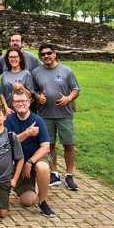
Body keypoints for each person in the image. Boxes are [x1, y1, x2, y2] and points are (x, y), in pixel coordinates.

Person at [32, 44, 81, 191]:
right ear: (40, 56)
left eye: (49, 53)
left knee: (69, 144)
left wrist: (68, 98)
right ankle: (54, 173)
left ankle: (69, 175)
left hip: (64, 114)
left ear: (54, 54)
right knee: (49, 144)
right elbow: (33, 91)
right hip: (45, 115)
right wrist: (38, 97)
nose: (46, 56)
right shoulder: (36, 72)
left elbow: (76, 89)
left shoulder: (66, 70)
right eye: (43, 54)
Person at [5, 91, 54, 217]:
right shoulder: (9, 120)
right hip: (19, 162)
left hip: (36, 158)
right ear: (12, 104)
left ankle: (42, 202)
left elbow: (46, 147)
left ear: (29, 102)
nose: (20, 104)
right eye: (17, 101)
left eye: (23, 101)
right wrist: (26, 134)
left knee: (42, 167)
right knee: (27, 201)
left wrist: (30, 162)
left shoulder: (38, 120)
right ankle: (36, 183)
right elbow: (7, 144)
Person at [0, 48, 35, 115]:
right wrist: (6, 107)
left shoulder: (26, 73)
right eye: (11, 57)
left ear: (20, 58)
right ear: (8, 59)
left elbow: (30, 95)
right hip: (8, 111)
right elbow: (1, 93)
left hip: (23, 111)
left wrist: (21, 87)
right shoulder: (4, 74)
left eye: (15, 57)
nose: (13, 59)